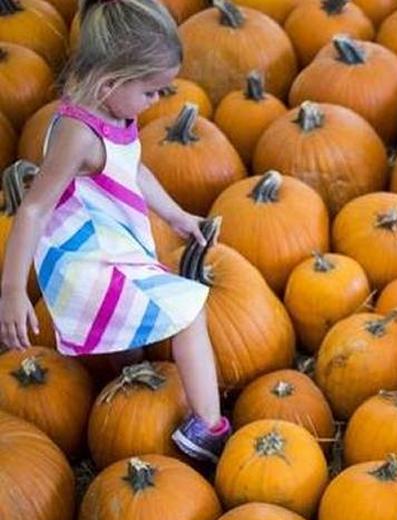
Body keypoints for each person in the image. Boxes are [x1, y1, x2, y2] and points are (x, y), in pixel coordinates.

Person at [0, 0, 231, 462]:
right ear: (109, 84)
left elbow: (133, 167)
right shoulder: (78, 135)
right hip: (88, 264)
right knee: (189, 310)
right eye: (152, 91)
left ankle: (126, 369)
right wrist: (11, 292)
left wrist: (177, 216)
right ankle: (210, 429)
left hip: (112, 242)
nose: (158, 101)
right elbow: (32, 210)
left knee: (140, 322)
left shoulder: (116, 110)